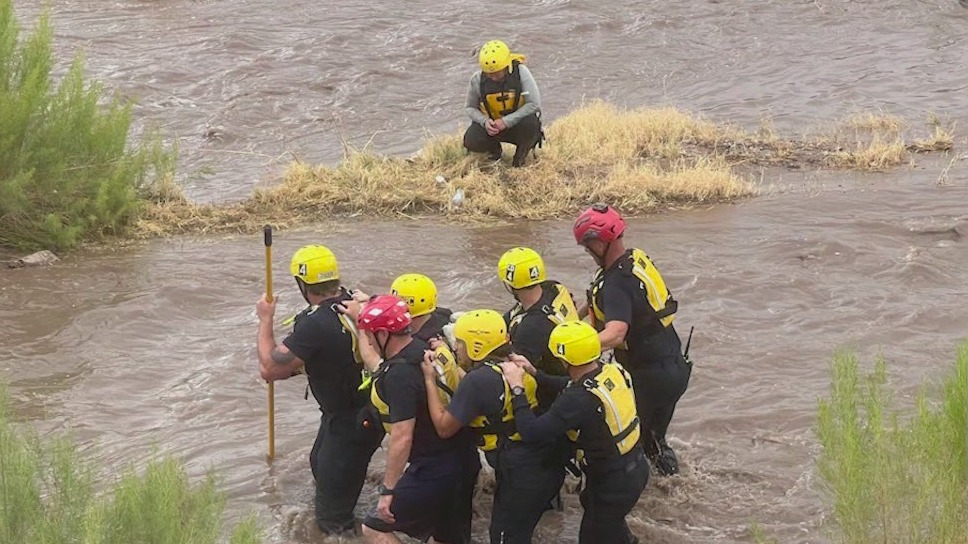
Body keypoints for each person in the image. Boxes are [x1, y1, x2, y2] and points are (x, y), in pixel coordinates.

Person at [255, 245, 382, 535]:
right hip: (359, 413)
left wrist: (265, 320)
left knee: (332, 522)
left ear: (303, 284)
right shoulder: (357, 302)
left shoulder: (317, 324)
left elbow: (270, 369)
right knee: (319, 464)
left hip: (351, 421)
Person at [421, 310, 564, 544]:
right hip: (543, 462)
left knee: (503, 538)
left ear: (477, 346)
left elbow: (443, 427)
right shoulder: (512, 362)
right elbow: (482, 384)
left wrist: (429, 379)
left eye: (460, 343)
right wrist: (447, 352)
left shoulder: (478, 382)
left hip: (522, 472)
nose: (456, 347)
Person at [500, 321, 648, 544]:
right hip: (633, 469)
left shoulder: (578, 399)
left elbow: (532, 432)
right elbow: (572, 384)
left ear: (563, 359)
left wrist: (517, 388)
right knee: (609, 525)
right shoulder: (612, 371)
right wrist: (534, 372)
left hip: (613, 484)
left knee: (593, 537)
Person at [573, 203, 692, 476]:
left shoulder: (617, 282)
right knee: (653, 440)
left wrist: (573, 348)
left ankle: (641, 496)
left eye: (587, 245)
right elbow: (595, 298)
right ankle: (672, 487)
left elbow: (615, 333)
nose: (587, 252)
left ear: (599, 242)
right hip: (674, 367)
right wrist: (570, 319)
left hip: (649, 377)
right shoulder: (633, 259)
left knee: (627, 442)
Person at [355, 295, 470, 544]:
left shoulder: (400, 376)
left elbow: (402, 437)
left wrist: (388, 491)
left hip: (432, 468)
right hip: (460, 459)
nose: (370, 342)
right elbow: (377, 364)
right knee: (446, 539)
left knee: (374, 528)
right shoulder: (420, 350)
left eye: (370, 335)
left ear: (384, 334)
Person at [497, 246, 579, 410]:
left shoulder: (531, 327)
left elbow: (513, 370)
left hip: (552, 393)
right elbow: (513, 315)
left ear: (511, 284)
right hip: (571, 370)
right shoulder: (552, 288)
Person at [463, 39, 543, 167]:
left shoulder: (522, 73)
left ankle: (520, 158)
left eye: (496, 73)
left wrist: (506, 121)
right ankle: (495, 152)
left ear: (505, 66)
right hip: (492, 127)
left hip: (518, 125)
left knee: (531, 125)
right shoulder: (477, 79)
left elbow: (534, 104)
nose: (493, 77)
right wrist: (485, 122)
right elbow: (470, 108)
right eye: (489, 74)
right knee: (471, 140)